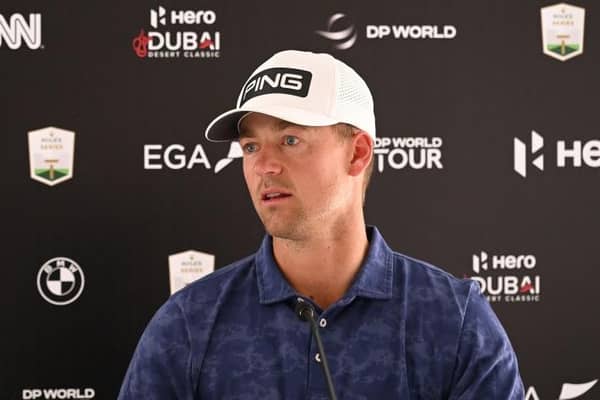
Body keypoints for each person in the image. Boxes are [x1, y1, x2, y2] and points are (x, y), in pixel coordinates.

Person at [118, 50, 524, 399]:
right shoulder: (189, 324)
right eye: (250, 146)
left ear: (358, 153)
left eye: (290, 140)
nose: (263, 166)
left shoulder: (452, 320)